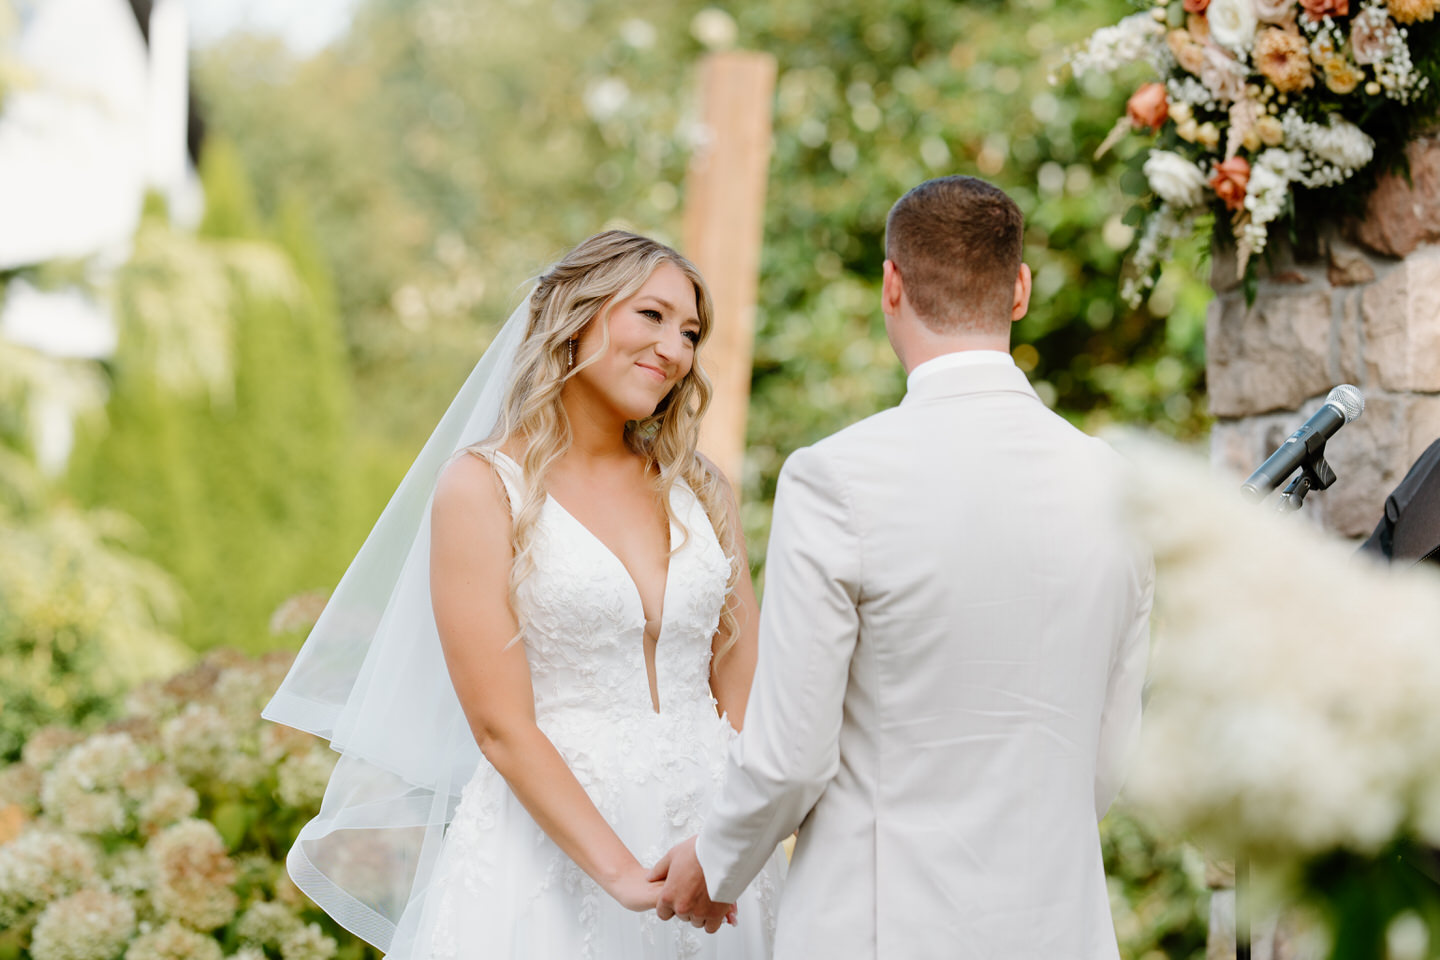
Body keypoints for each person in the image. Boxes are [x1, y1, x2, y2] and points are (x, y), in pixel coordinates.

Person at [651, 176, 1155, 959]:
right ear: (1019, 289)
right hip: (1061, 926)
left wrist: (714, 864)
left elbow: (791, 756)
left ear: (892, 284)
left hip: (883, 928)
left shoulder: (836, 478)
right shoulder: (1119, 485)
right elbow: (1109, 748)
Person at [264, 231, 784, 959]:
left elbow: (745, 685)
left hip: (711, 845)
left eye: (691, 331)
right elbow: (500, 725)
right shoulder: (483, 488)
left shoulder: (700, 488)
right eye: (652, 315)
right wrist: (625, 877)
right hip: (552, 852)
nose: (674, 348)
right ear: (577, 316)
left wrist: (738, 836)